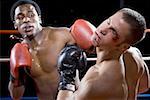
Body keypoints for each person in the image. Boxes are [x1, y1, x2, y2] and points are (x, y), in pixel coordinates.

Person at [8, 0, 96, 100]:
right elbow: (16, 96)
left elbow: (96, 49)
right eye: (20, 17)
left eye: (31, 15)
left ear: (39, 19)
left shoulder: (62, 35)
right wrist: (15, 76)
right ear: (15, 24)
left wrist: (92, 44)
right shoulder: (20, 53)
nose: (26, 20)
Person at [56, 8, 150, 100]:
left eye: (113, 31)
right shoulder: (134, 55)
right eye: (108, 21)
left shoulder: (97, 79)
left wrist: (67, 77)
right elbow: (144, 86)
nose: (103, 30)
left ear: (123, 47)